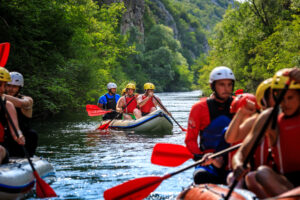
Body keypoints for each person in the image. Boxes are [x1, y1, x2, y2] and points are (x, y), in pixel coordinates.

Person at [232, 68, 300, 198]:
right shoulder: (268, 118)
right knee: (262, 173)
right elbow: (241, 152)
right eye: (281, 98)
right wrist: (238, 163)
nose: (285, 103)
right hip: (285, 183)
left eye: (290, 98)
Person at [185, 66, 235, 184]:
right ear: (212, 86)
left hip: (232, 160)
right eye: (221, 84)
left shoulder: (238, 105)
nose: (226, 88)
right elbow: (190, 140)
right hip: (209, 161)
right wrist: (199, 157)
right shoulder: (199, 108)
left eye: (229, 84)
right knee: (201, 176)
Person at [4, 72, 37, 157]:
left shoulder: (27, 100)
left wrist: (1, 96)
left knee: (32, 133)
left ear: (19, 88)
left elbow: (21, 103)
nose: (11, 89)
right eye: (9, 86)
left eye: (14, 86)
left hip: (23, 140)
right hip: (6, 139)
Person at [0, 68, 25, 161]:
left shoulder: (8, 105)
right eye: (0, 85)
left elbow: (16, 131)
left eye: (5, 85)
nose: (3, 89)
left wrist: (19, 136)